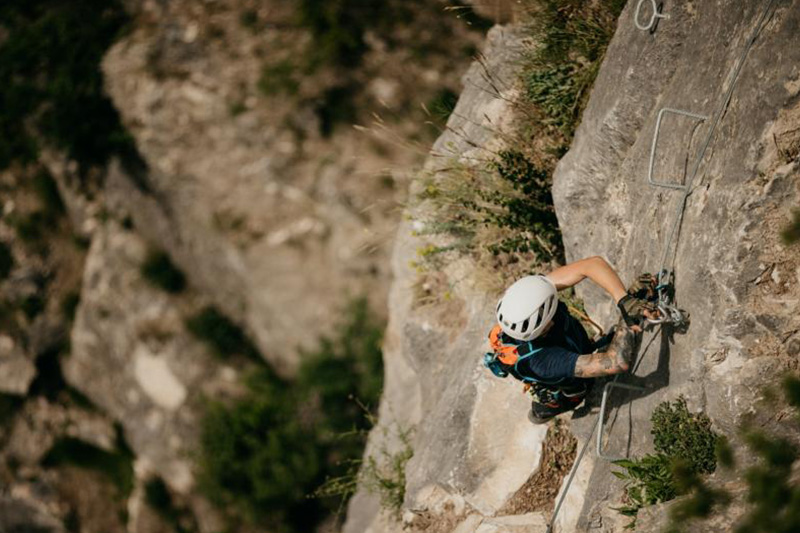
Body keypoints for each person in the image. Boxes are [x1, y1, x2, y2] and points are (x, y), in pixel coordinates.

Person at [484, 256, 658, 424]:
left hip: (569, 349)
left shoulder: (534, 296)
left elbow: (590, 265)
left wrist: (624, 300)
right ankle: (541, 412)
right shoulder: (542, 361)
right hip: (565, 387)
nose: (554, 316)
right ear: (540, 327)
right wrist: (626, 320)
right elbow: (615, 362)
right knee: (547, 407)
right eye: (549, 319)